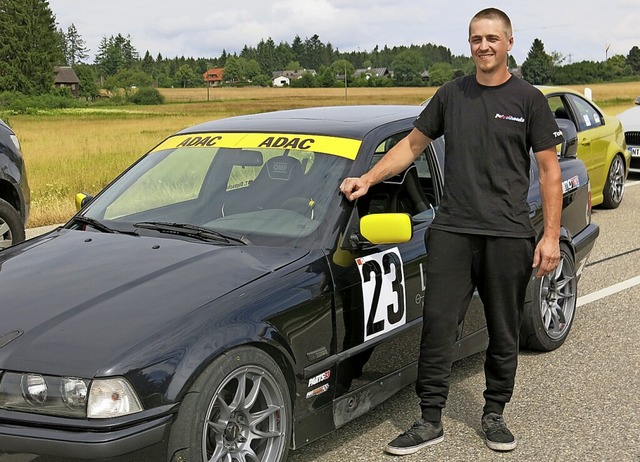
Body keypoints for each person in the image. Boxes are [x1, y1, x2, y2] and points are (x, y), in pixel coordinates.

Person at [339, 7, 563, 455]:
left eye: (492, 39)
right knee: (438, 326)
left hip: (508, 233)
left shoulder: (529, 100)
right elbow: (412, 145)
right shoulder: (451, 95)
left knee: (503, 329)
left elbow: (548, 172)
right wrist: (368, 178)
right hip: (454, 231)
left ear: (509, 43)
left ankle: (495, 412)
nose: (483, 46)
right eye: (476, 38)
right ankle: (429, 419)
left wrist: (551, 237)